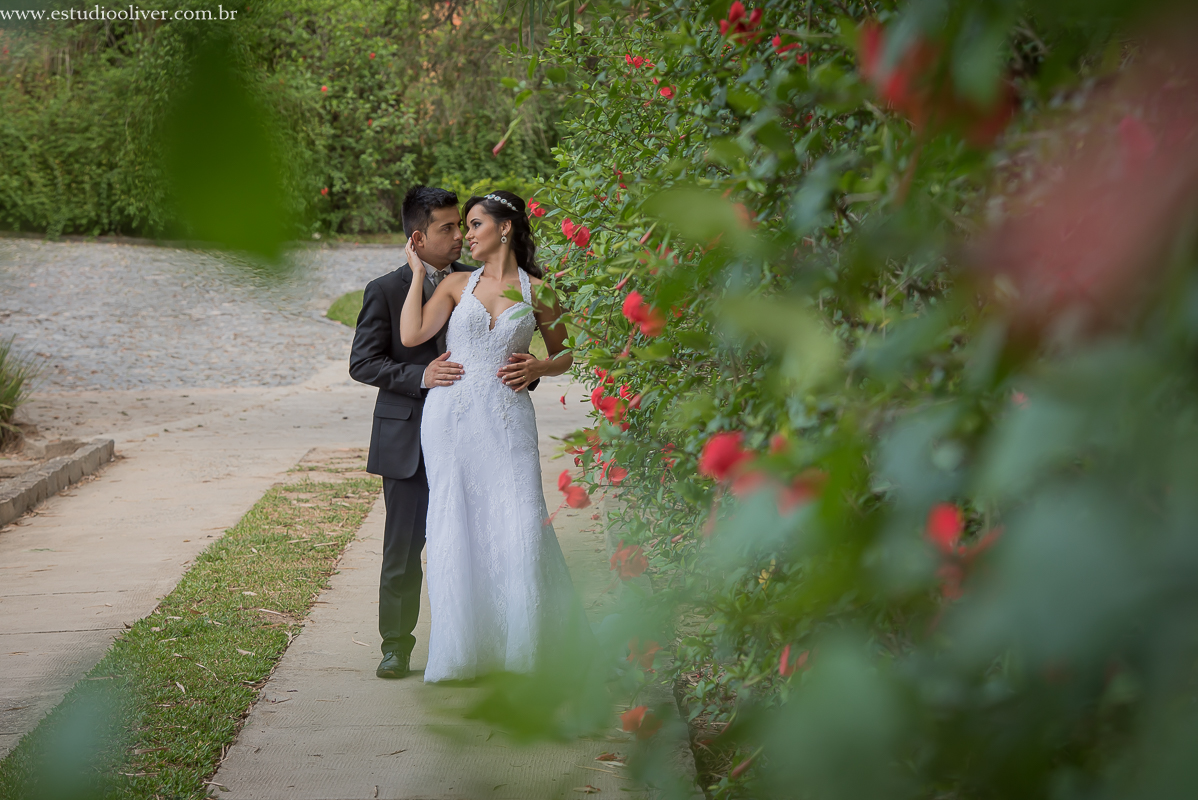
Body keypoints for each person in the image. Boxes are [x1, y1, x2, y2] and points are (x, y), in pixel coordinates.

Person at [348, 186, 540, 679]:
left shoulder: (476, 278)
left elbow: (512, 343)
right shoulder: (387, 289)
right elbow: (364, 362)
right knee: (404, 547)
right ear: (419, 237)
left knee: (481, 536)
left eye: (464, 225)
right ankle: (396, 645)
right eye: (448, 228)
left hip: (482, 431)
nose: (460, 235)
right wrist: (420, 377)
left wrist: (527, 370)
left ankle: (485, 640)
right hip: (412, 434)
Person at [398, 190, 588, 682]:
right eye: (463, 225)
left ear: (505, 228)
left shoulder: (538, 291)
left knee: (522, 519)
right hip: (452, 417)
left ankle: (524, 649)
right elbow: (413, 335)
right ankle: (463, 651)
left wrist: (542, 364)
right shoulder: (456, 283)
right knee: (457, 519)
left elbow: (567, 352)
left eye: (476, 223)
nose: (466, 234)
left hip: (507, 418)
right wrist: (420, 275)